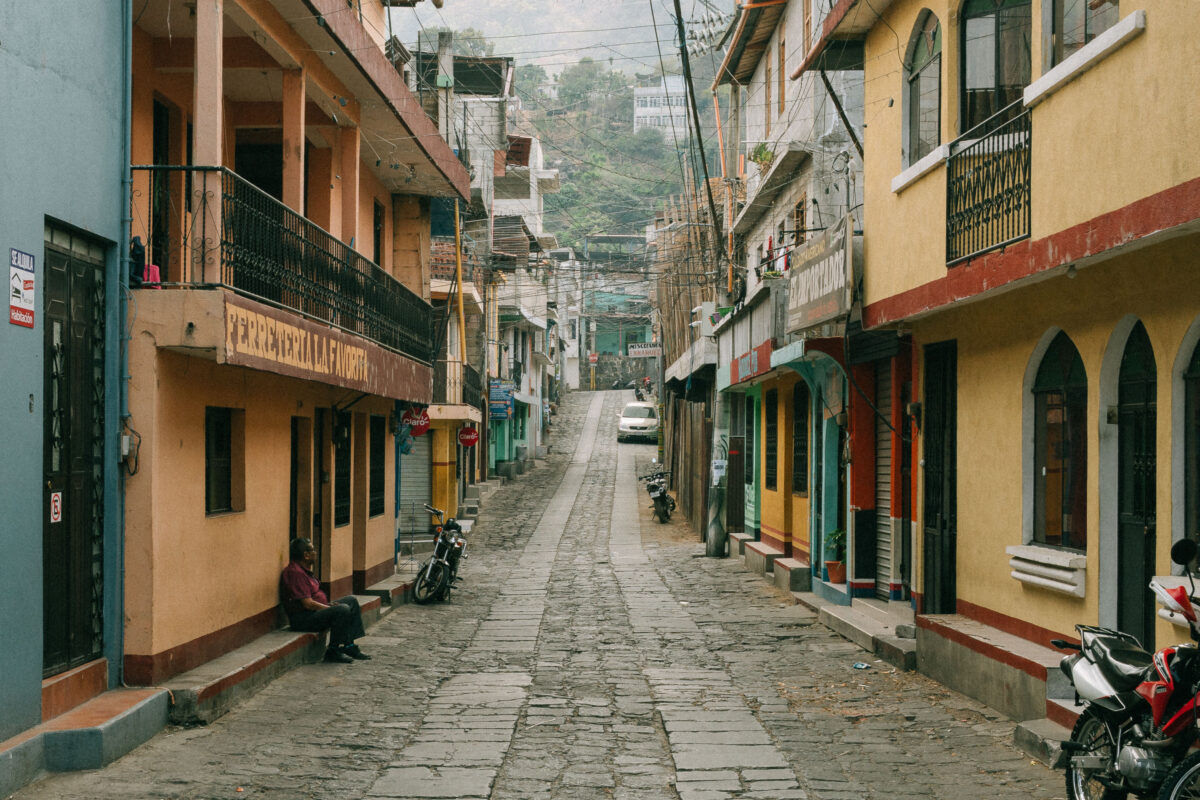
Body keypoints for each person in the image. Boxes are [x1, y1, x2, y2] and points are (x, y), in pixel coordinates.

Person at [280, 538, 371, 663]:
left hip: (315, 612)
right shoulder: (295, 573)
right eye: (313, 550)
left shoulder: (304, 571)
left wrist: (327, 606)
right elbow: (307, 604)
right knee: (342, 610)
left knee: (351, 601)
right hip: (304, 619)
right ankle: (333, 651)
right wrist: (329, 608)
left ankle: (349, 646)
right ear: (306, 555)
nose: (315, 553)